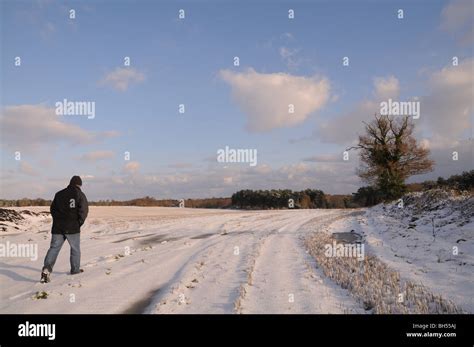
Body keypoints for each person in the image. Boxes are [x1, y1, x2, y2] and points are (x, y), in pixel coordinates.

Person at [40, 175, 89, 283]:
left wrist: (58, 221)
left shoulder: (59, 194)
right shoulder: (80, 194)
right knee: (75, 249)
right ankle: (75, 271)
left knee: (54, 249)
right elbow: (84, 211)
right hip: (73, 228)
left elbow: (52, 210)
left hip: (58, 227)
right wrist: (78, 223)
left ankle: (46, 269)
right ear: (79, 184)